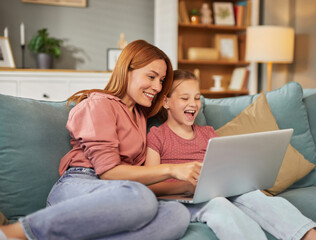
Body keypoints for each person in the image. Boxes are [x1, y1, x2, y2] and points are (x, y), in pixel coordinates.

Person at [0, 40, 202, 240]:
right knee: (140, 196)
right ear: (126, 71)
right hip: (81, 186)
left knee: (177, 215)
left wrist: (188, 186)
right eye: (151, 76)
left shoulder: (139, 115)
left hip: (117, 194)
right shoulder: (99, 104)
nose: (158, 87)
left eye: (161, 80)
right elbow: (108, 172)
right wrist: (173, 169)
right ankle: (14, 233)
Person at [145, 69, 316, 240]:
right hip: (183, 200)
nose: (193, 103)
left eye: (197, 98)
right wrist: (186, 187)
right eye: (185, 98)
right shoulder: (157, 135)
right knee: (219, 206)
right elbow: (150, 185)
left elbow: (225, 166)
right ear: (166, 102)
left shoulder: (207, 132)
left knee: (256, 197)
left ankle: (309, 236)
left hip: (217, 190)